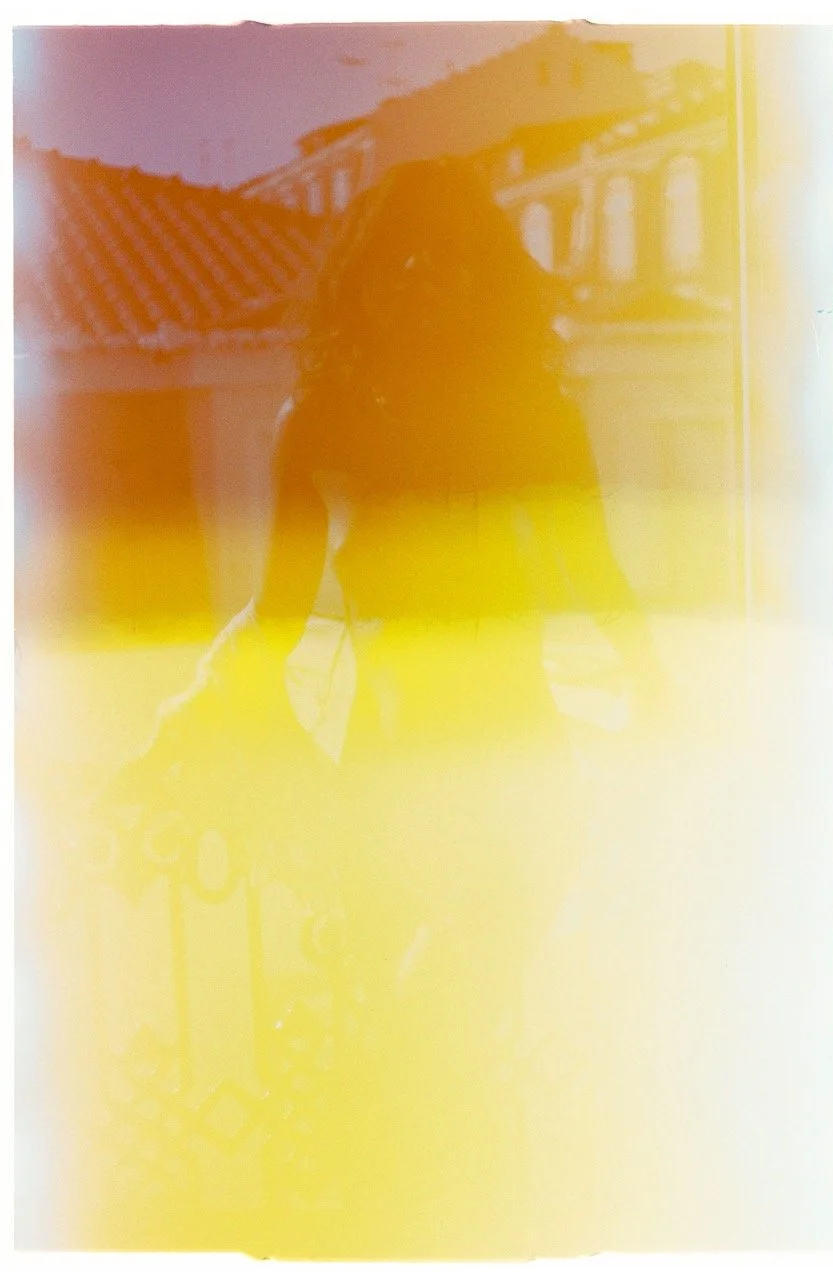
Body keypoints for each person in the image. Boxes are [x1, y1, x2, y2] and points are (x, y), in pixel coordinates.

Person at [89, 156, 668, 1257]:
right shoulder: (321, 425)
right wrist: (174, 734)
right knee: (422, 1046)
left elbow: (599, 583)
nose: (422, 280)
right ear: (362, 282)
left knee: (436, 1025)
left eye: (447, 259)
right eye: (399, 260)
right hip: (375, 802)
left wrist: (666, 701)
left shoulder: (539, 421)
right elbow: (273, 619)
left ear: (484, 278)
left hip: (514, 783)